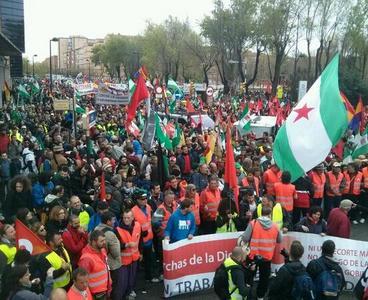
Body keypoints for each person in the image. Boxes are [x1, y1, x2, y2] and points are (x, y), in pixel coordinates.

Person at [238, 206, 282, 300]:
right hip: (267, 256)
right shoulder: (275, 226)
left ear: (260, 213)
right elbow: (279, 240)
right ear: (270, 215)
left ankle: (247, 295)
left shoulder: (253, 223)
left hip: (253, 255)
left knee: (249, 276)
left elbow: (245, 238)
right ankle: (260, 296)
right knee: (264, 278)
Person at [131, 192, 159, 283]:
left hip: (149, 239)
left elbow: (151, 220)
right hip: (140, 241)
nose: (145, 201)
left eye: (145, 199)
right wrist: (140, 232)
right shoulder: (133, 211)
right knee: (139, 262)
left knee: (149, 260)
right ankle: (136, 282)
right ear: (138, 200)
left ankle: (149, 277)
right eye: (142, 199)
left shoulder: (148, 207)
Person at [95, 211, 123, 300]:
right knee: (115, 288)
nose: (114, 222)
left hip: (101, 264)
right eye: (113, 220)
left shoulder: (96, 229)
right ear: (108, 222)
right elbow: (116, 253)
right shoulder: (110, 234)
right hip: (113, 265)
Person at [78, 230, 111, 299]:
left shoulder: (102, 250)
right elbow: (82, 280)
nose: (104, 242)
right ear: (93, 242)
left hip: (105, 289)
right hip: (95, 294)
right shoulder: (86, 259)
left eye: (104, 240)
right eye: (101, 241)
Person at [116, 209, 141, 299]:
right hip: (123, 260)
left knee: (132, 278)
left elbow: (139, 240)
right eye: (124, 218)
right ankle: (123, 295)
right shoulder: (118, 229)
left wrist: (140, 253)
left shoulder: (137, 225)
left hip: (135, 257)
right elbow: (117, 245)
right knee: (123, 281)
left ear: (133, 218)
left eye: (128, 218)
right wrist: (126, 245)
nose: (126, 220)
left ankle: (130, 291)